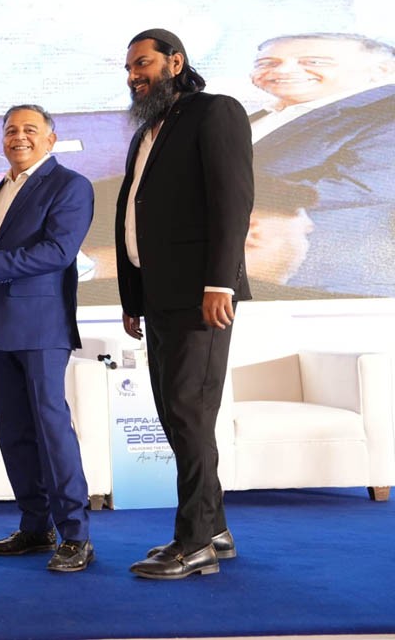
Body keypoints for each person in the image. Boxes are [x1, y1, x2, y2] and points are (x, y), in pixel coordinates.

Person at [115, 29, 253, 580]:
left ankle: (193, 544)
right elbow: (136, 210)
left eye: (143, 63)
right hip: (159, 296)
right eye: (129, 68)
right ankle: (213, 528)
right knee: (178, 414)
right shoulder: (147, 131)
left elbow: (232, 199)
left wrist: (221, 282)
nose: (134, 75)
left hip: (201, 296)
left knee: (189, 411)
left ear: (175, 62)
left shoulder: (215, 112)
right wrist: (133, 298)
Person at [0, 104, 95, 573]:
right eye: (11, 130)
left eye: (31, 129)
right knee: (14, 432)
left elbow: (58, 251)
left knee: (52, 430)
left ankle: (76, 535)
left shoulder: (70, 185)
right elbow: (4, 249)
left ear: (51, 139)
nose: (19, 137)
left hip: (42, 327)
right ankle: (35, 527)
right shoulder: (0, 187)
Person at [248, 33, 395, 296]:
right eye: (268, 63)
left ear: (382, 70)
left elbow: (363, 186)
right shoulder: (254, 114)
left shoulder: (385, 113)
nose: (283, 70)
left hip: (311, 285)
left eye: (313, 61)